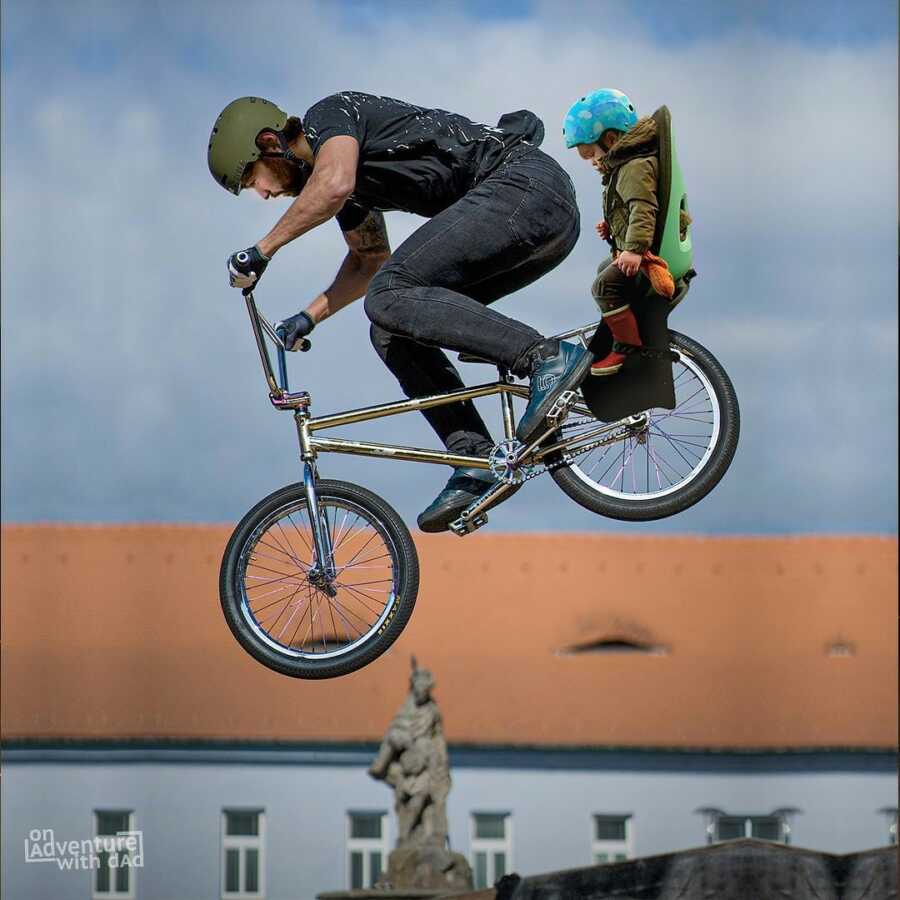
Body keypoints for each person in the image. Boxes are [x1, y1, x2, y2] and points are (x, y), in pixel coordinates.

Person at [208, 93, 592, 533]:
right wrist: (309, 316)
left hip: (523, 190)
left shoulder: (329, 118)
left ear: (269, 143)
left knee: (389, 295)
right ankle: (474, 459)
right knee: (392, 329)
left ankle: (546, 358)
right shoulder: (350, 185)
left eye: (254, 179)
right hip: (537, 221)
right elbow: (369, 261)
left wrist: (262, 251)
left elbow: (332, 185)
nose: (263, 194)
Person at [563, 89, 674, 376]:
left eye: (590, 154)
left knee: (603, 286)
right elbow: (628, 210)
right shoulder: (627, 167)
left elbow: (644, 208)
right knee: (605, 269)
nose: (591, 162)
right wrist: (612, 228)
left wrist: (635, 249)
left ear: (610, 140)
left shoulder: (634, 168)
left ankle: (627, 347)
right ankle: (620, 324)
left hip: (645, 253)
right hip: (636, 246)